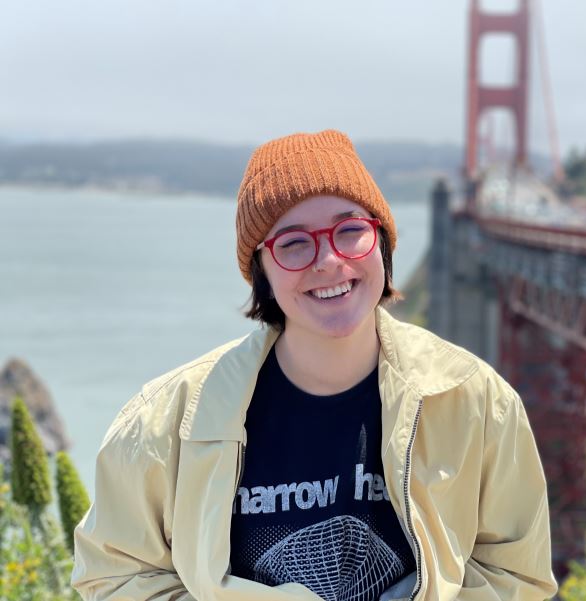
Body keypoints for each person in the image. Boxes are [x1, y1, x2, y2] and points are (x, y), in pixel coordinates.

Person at [71, 130, 558, 601]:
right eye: (294, 243)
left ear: (382, 244)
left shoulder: (477, 401)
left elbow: (513, 574)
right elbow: (115, 576)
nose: (328, 259)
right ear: (260, 268)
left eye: (351, 230)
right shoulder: (165, 422)